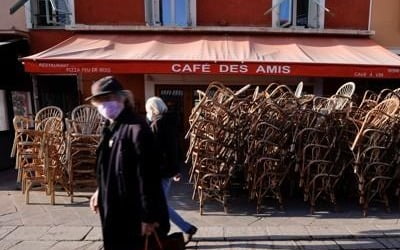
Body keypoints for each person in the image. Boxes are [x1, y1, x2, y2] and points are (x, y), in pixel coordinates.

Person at [87, 76, 170, 250]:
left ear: (122, 98)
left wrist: (148, 217)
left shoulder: (136, 128)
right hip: (114, 211)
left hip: (133, 215)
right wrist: (100, 190)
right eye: (100, 101)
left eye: (108, 99)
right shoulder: (110, 128)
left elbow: (148, 175)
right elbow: (108, 167)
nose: (104, 105)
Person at [145, 96, 198, 245]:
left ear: (152, 109)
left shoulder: (158, 125)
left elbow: (158, 152)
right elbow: (174, 149)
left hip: (160, 172)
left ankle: (187, 228)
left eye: (148, 109)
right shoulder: (168, 123)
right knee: (160, 204)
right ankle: (181, 229)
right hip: (166, 171)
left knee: (160, 205)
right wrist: (175, 169)